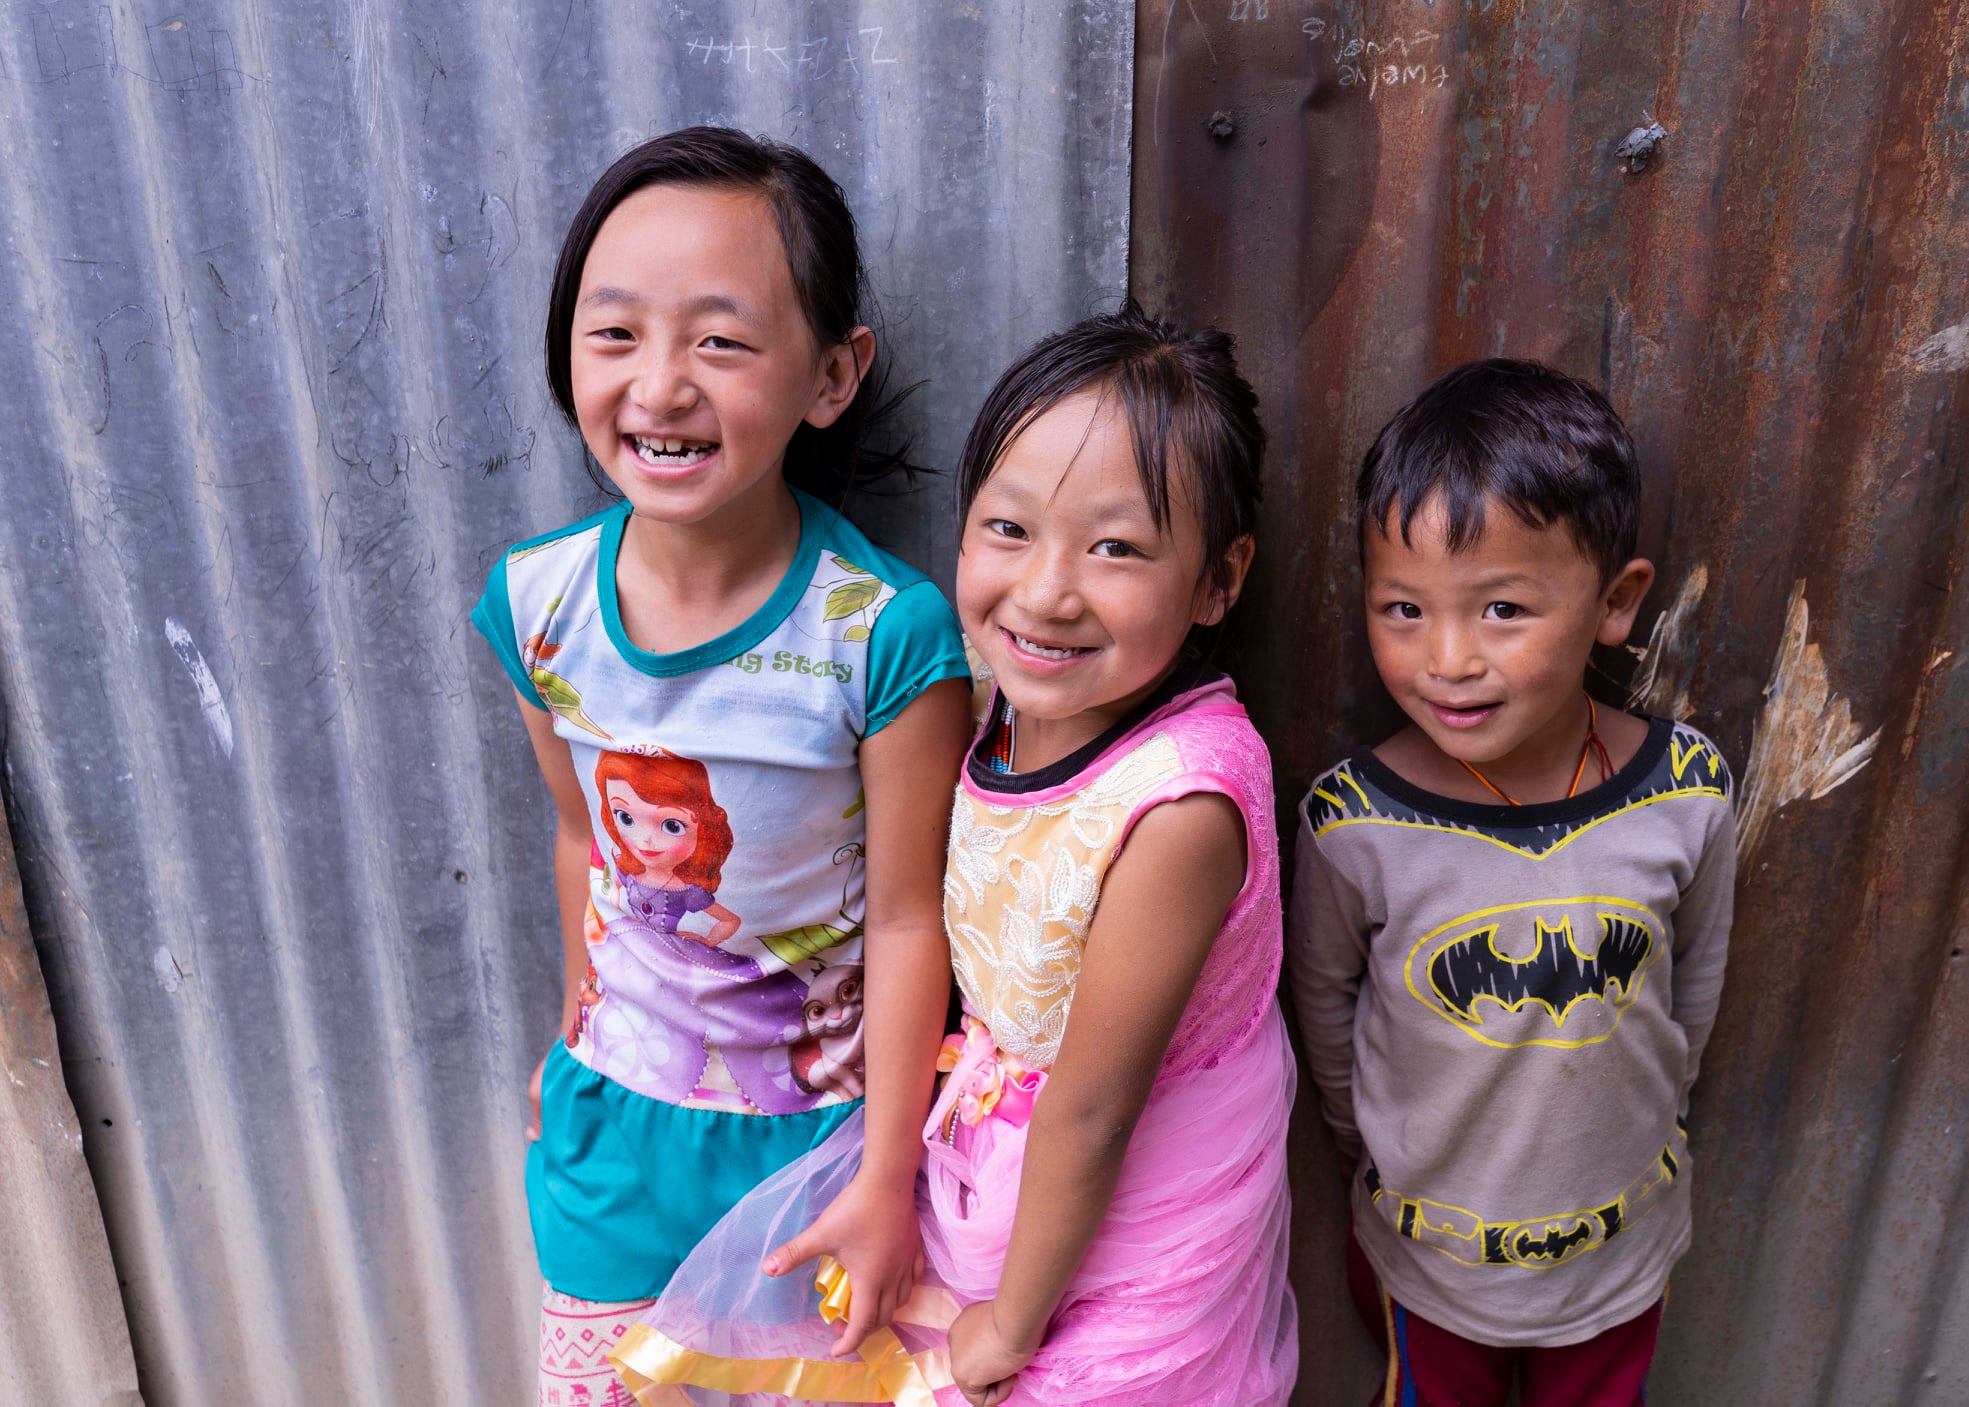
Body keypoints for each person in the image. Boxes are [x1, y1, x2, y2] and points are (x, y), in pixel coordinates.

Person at [612, 305, 1300, 1406]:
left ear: (1218, 580)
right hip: (1002, 1149)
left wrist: (1009, 1330)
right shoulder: (989, 693)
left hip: (1135, 1190)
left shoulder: (1179, 807)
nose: (1046, 592)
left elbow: (1094, 1109)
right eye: (1009, 529)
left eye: (1116, 548)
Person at [472, 126, 972, 1406]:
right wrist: (574, 1030)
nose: (659, 387)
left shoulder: (882, 633)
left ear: (831, 375)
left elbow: (910, 919)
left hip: (816, 1147)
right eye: (615, 332)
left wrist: (887, 1175)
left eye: (719, 341)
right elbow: (582, 838)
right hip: (610, 1135)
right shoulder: (538, 605)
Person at [1289, 360, 1737, 1406]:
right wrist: (1374, 1149)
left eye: (1500, 608)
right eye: (1403, 608)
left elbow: (1697, 979)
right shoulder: (1354, 822)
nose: (1447, 657)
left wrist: (1659, 1109)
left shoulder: (1685, 787)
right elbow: (1323, 1006)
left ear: (1615, 602)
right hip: (1432, 1262)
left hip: (1615, 1251)